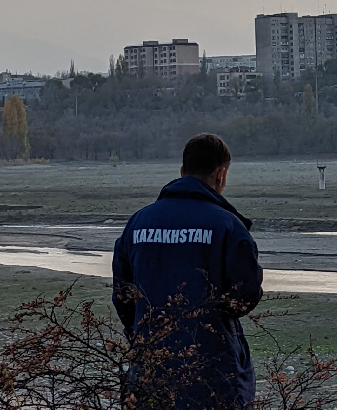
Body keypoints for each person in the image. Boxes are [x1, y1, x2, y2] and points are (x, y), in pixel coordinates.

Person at [112, 134, 264, 409]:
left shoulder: (138, 223)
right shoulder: (228, 226)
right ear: (221, 175)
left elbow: (122, 296)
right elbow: (245, 295)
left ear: (182, 172)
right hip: (213, 370)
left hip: (150, 365)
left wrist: (142, 332)